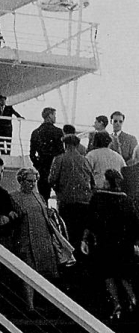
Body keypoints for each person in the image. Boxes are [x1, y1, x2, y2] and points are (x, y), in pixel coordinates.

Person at [81, 169, 139, 321]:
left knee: (108, 275)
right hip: (124, 244)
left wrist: (85, 240)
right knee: (124, 274)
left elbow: (90, 221)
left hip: (104, 242)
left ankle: (116, 305)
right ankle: (133, 299)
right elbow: (134, 223)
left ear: (106, 181)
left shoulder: (98, 198)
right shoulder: (126, 200)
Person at [10, 168, 60, 311]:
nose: (32, 184)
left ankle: (39, 304)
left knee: (43, 271)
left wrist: (49, 212)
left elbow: (44, 213)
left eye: (34, 181)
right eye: (29, 181)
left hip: (42, 237)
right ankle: (30, 306)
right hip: (25, 237)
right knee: (29, 270)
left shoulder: (38, 196)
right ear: (21, 181)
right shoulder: (13, 196)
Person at [48, 134, 94, 260]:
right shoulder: (85, 160)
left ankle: (71, 262)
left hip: (67, 202)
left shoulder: (59, 159)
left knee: (68, 234)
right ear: (77, 145)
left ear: (65, 145)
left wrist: (59, 190)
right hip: (84, 203)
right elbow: (92, 182)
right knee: (81, 235)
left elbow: (51, 180)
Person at [29, 107, 64, 202]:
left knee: (43, 196)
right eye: (54, 115)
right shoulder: (58, 131)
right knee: (60, 196)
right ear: (49, 116)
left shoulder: (36, 132)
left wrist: (38, 165)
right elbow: (61, 152)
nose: (55, 117)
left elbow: (32, 153)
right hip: (55, 165)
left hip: (43, 166)